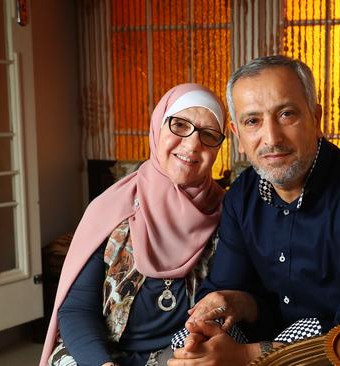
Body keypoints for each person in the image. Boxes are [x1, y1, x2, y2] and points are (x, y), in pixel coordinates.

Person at [169, 55, 340, 365]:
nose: (272, 138)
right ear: (238, 134)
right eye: (253, 121)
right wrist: (232, 304)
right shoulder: (242, 195)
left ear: (315, 118)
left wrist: (246, 357)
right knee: (188, 343)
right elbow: (227, 288)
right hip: (269, 337)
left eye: (286, 114)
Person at [39, 83, 228, 366]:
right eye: (179, 125)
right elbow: (76, 308)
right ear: (157, 128)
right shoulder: (110, 209)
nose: (191, 144)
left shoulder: (229, 214)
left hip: (180, 354)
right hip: (104, 351)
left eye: (209, 135)